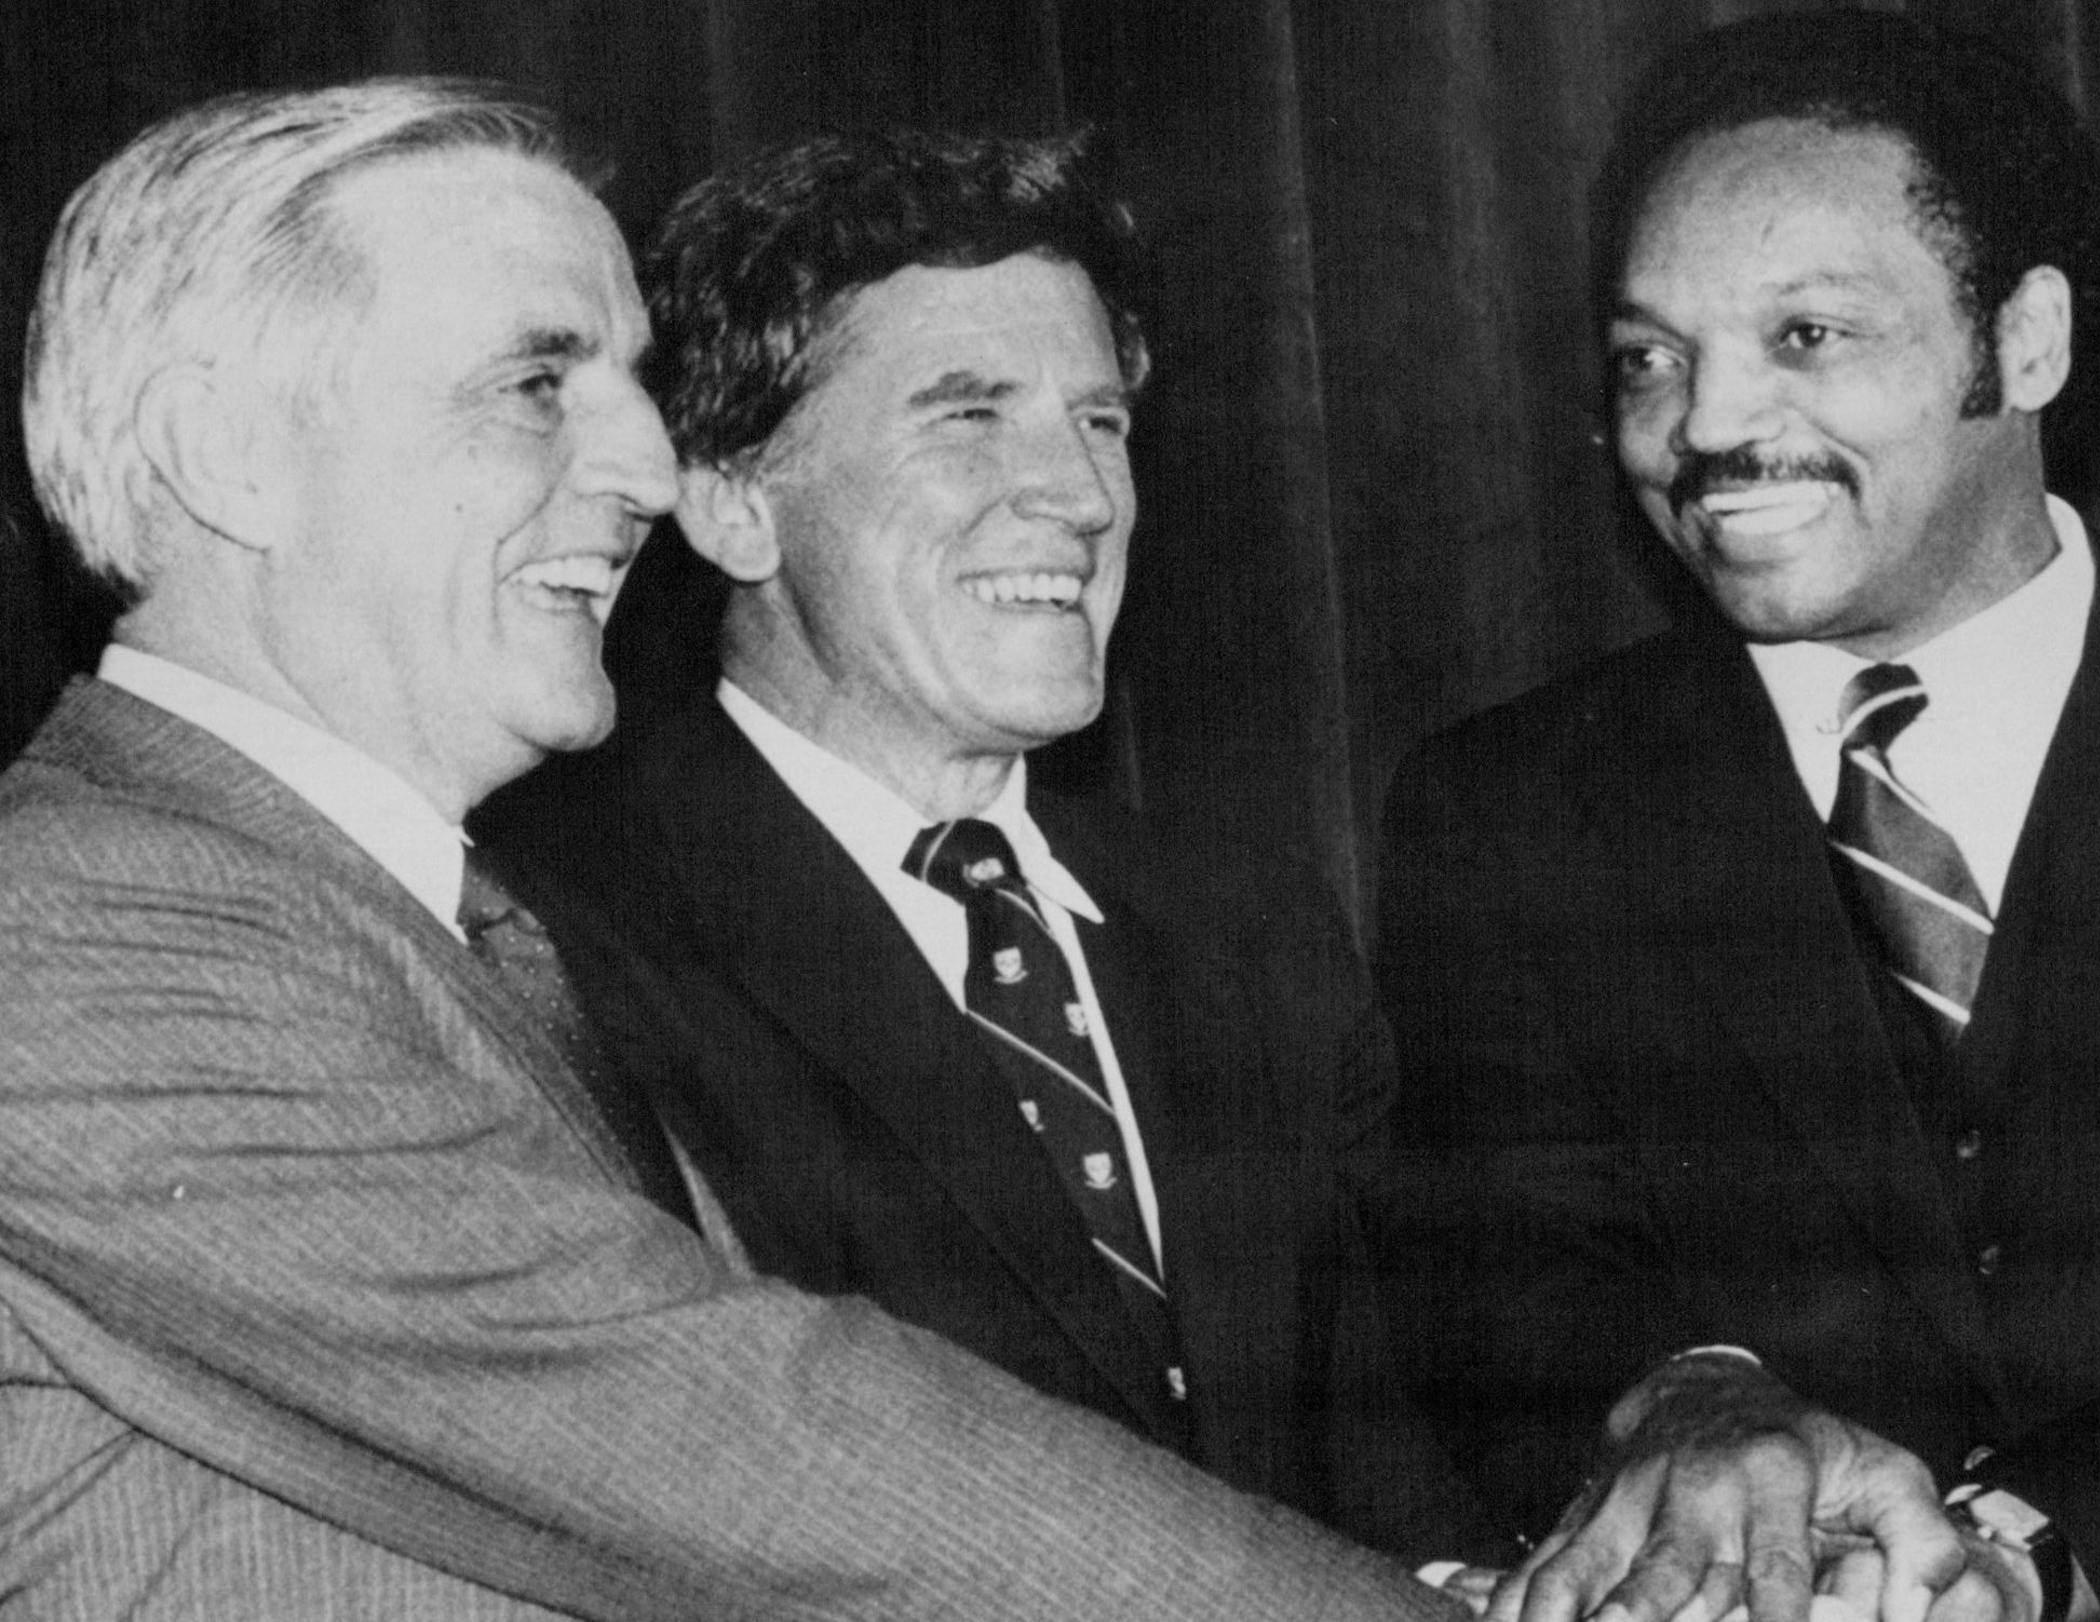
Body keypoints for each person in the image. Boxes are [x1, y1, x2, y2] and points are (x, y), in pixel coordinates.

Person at [0, 77, 1494, 1619]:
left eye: (632, 385)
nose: (648, 468)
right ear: (220, 452)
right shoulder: (70, 931)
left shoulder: (418, 915)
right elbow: (767, 1440)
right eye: (537, 384)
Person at [478, 125, 1489, 1569]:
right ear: (730, 500)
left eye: (1100, 423)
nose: (1079, 496)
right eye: (968, 416)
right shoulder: (559, 940)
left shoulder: (1245, 923)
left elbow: (1407, 1464)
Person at [1379, 10, 2100, 1619]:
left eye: (1806, 336)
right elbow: (1501, 1287)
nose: (1706, 429)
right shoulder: (1506, 811)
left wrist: (2035, 1550)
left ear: (2026, 343)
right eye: (1649, 357)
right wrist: (1688, 1394)